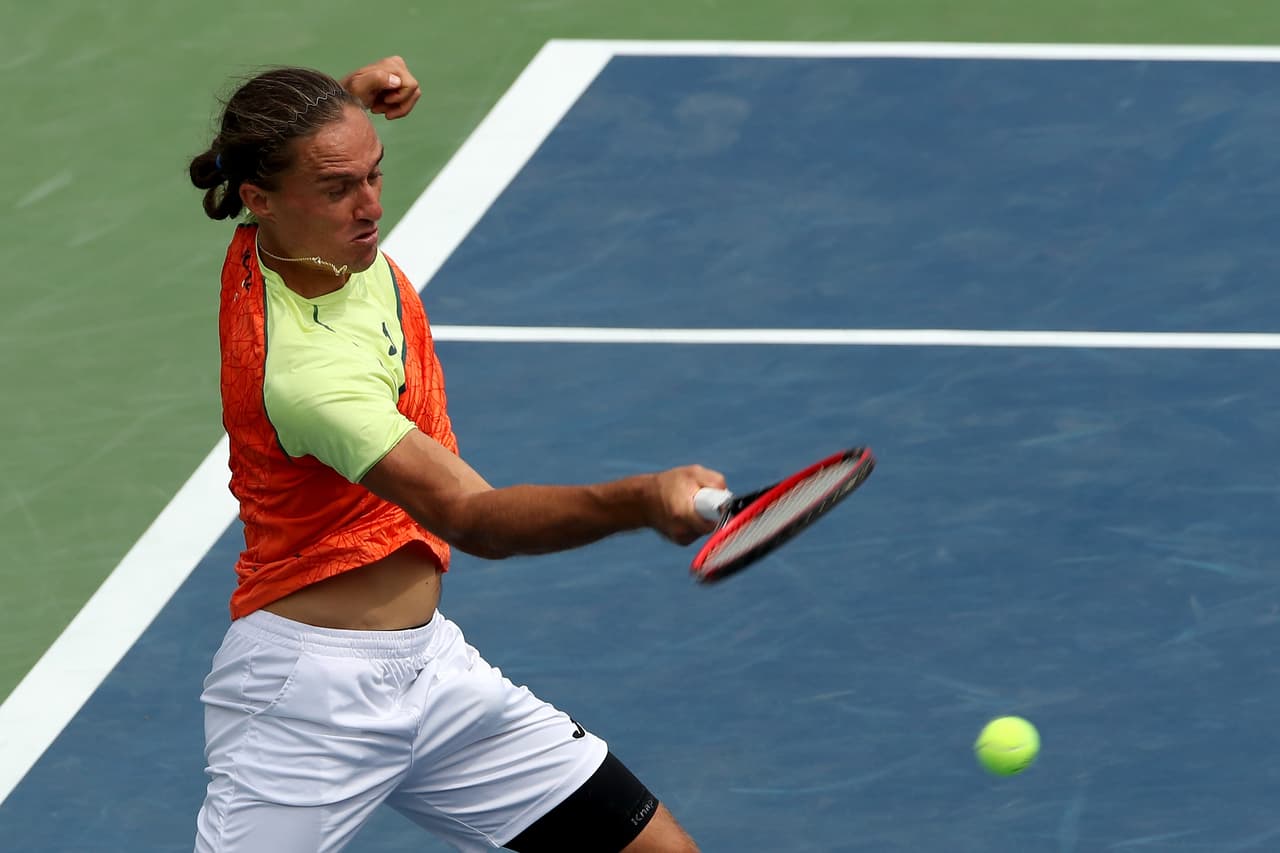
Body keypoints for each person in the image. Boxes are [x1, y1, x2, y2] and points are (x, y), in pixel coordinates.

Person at [187, 56, 724, 853]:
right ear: (262, 200)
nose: (369, 206)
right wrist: (639, 500)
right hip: (308, 700)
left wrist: (349, 101)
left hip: (432, 671)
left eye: (373, 174)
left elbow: (301, 148)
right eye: (340, 189)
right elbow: (475, 518)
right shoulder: (305, 373)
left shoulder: (288, 234)